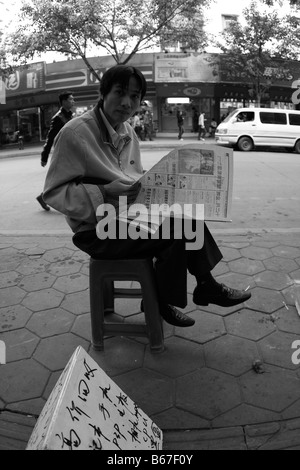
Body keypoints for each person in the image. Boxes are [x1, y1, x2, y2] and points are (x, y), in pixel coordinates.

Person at [43, 65, 251, 329]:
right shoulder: (75, 134)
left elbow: (132, 176)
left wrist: (160, 185)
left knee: (187, 218)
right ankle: (164, 300)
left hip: (127, 217)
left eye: (135, 96)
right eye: (120, 93)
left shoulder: (128, 131)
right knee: (175, 232)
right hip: (95, 230)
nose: (127, 102)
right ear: (103, 93)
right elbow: (54, 193)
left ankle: (200, 286)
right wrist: (105, 192)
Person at [36, 90, 75, 211]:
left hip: (72, 151)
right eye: (71, 99)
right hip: (63, 153)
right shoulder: (58, 118)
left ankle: (44, 197)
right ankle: (45, 197)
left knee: (67, 178)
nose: (73, 101)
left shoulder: (69, 115)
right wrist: (44, 157)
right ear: (63, 102)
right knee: (67, 178)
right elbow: (50, 138)